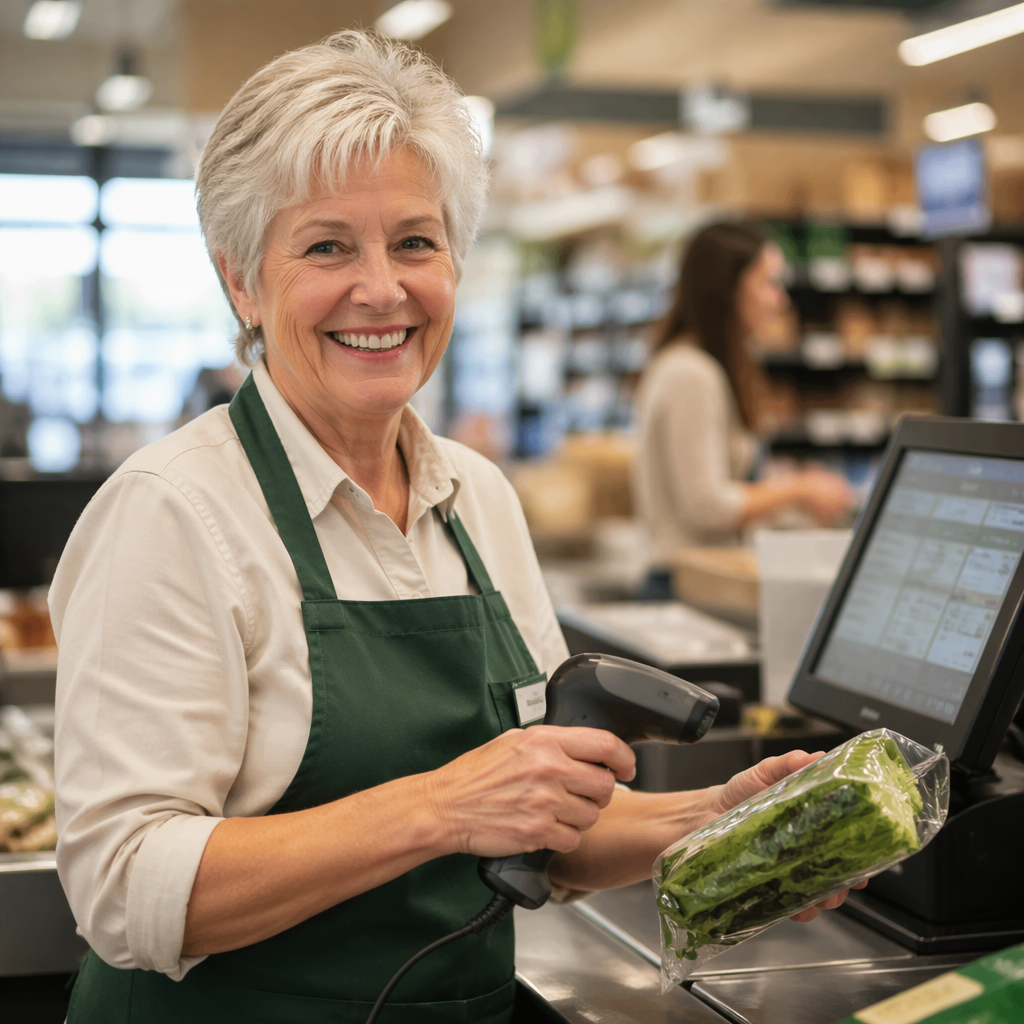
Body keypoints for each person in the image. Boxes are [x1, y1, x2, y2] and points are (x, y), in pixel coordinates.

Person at [51, 34, 857, 1024]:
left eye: (416, 242)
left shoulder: (476, 496)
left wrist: (712, 818)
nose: (383, 288)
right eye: (326, 245)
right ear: (242, 283)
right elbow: (124, 890)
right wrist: (438, 806)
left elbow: (539, 825)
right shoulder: (171, 512)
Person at [634, 221, 854, 597]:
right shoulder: (691, 375)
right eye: (768, 283)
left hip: (695, 583)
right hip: (685, 588)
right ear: (729, 288)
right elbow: (706, 506)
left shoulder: (696, 366)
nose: (780, 300)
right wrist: (800, 490)